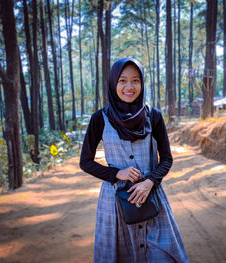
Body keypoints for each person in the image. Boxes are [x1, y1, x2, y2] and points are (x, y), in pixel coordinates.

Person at [80, 57, 189, 263]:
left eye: (135, 80)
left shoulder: (154, 116)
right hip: (114, 203)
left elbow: (166, 159)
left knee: (162, 255)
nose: (129, 86)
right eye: (122, 80)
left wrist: (150, 182)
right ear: (114, 83)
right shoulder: (99, 118)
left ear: (142, 83)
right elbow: (85, 162)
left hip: (151, 197)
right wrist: (116, 173)